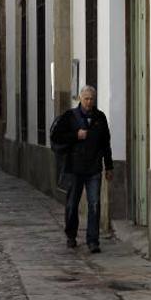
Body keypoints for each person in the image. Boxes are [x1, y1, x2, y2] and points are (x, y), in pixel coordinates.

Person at [51, 85, 113, 254]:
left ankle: (93, 241)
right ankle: (71, 235)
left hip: (93, 168)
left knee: (94, 204)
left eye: (91, 99)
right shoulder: (70, 117)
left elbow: (106, 143)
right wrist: (75, 136)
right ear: (80, 99)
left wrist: (109, 166)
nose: (89, 102)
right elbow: (56, 136)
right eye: (86, 99)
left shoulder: (100, 118)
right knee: (72, 204)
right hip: (74, 168)